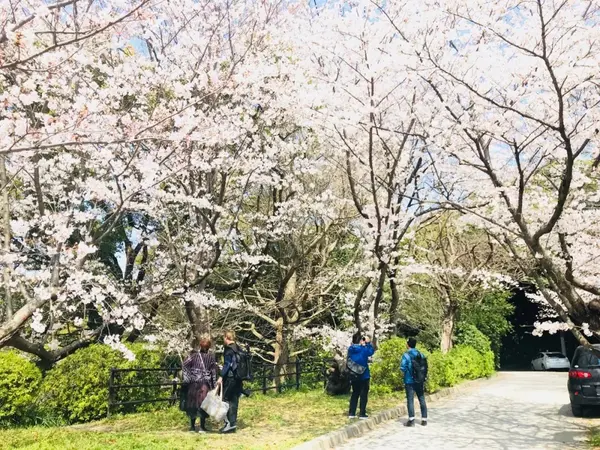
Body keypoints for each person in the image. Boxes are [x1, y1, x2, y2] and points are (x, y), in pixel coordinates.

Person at [182, 337, 218, 433]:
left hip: (193, 383)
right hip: (204, 384)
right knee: (203, 404)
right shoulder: (211, 358)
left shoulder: (193, 356)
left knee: (193, 403)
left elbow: (184, 365)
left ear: (200, 346)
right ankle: (202, 427)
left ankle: (192, 427)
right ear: (209, 347)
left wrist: (188, 377)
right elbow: (213, 372)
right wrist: (214, 385)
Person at [217, 330, 243, 433]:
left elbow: (227, 364)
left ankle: (228, 424)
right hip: (238, 378)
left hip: (230, 378)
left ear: (226, 338)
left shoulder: (228, 349)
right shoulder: (238, 348)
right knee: (234, 401)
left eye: (224, 338)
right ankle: (233, 423)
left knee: (225, 400)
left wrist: (221, 376)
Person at [400, 337, 428, 427]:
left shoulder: (406, 355)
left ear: (408, 344)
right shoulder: (421, 354)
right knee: (422, 398)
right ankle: (424, 420)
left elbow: (403, 367)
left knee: (410, 400)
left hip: (409, 380)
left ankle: (411, 421)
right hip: (420, 380)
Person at [347, 332, 375, 419]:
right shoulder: (364, 349)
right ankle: (362, 413)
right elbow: (371, 352)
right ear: (360, 340)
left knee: (355, 393)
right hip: (364, 375)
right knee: (363, 394)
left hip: (353, 374)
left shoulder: (350, 349)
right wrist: (367, 343)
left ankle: (352, 413)